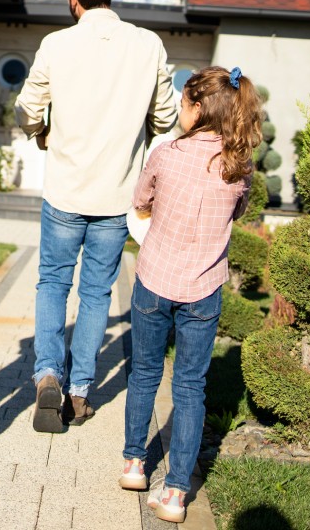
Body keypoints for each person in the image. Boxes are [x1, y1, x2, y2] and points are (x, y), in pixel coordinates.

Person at [14, 0, 178, 433]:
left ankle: (48, 374)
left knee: (52, 284)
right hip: (117, 194)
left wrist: (41, 131)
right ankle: (81, 392)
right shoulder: (148, 45)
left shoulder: (57, 43)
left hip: (65, 191)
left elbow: (28, 108)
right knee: (96, 292)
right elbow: (165, 118)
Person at [119, 66, 262, 524]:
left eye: (182, 103)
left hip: (154, 278)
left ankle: (135, 463)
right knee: (190, 386)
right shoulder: (240, 167)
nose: (179, 111)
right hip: (204, 289)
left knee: (143, 372)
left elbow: (141, 200)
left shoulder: (165, 153)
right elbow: (237, 211)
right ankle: (178, 492)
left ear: (198, 109)